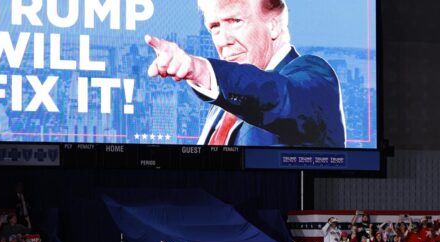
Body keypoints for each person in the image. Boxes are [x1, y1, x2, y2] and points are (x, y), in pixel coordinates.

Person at [144, 0, 346, 147]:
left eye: (235, 21)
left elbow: (278, 96)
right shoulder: (223, 103)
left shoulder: (314, 75)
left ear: (273, 25)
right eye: (215, 26)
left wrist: (201, 70)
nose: (223, 40)